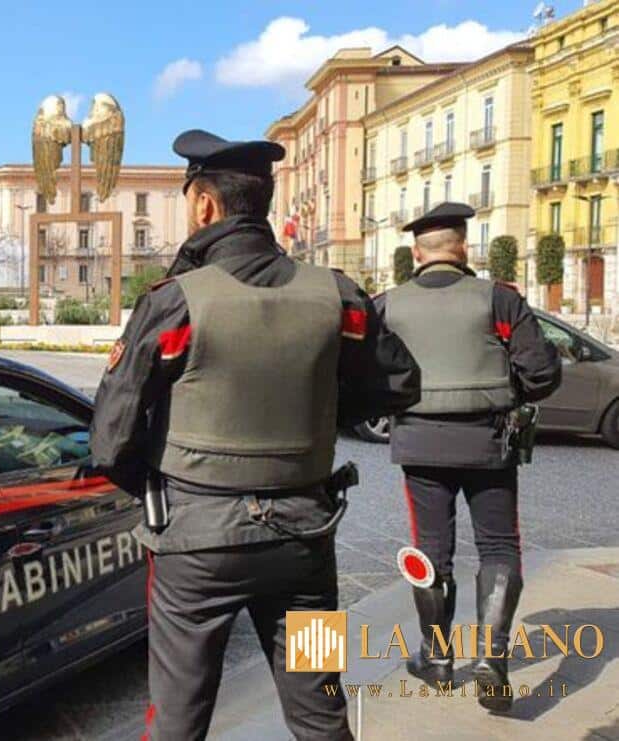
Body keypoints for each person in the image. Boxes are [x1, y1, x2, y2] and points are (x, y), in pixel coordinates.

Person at [90, 129, 421, 741]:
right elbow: (399, 386)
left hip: (195, 553)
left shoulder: (175, 304)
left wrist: (171, 490)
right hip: (306, 546)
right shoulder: (339, 295)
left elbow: (110, 442)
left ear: (204, 206)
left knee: (177, 721)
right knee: (322, 711)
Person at [376, 202, 561, 712]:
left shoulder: (388, 305)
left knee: (431, 552)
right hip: (489, 441)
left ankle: (437, 660)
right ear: (463, 247)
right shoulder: (498, 299)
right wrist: (508, 393)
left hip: (418, 444)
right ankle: (492, 659)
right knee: (499, 546)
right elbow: (542, 372)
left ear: (417, 253)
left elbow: (366, 377)